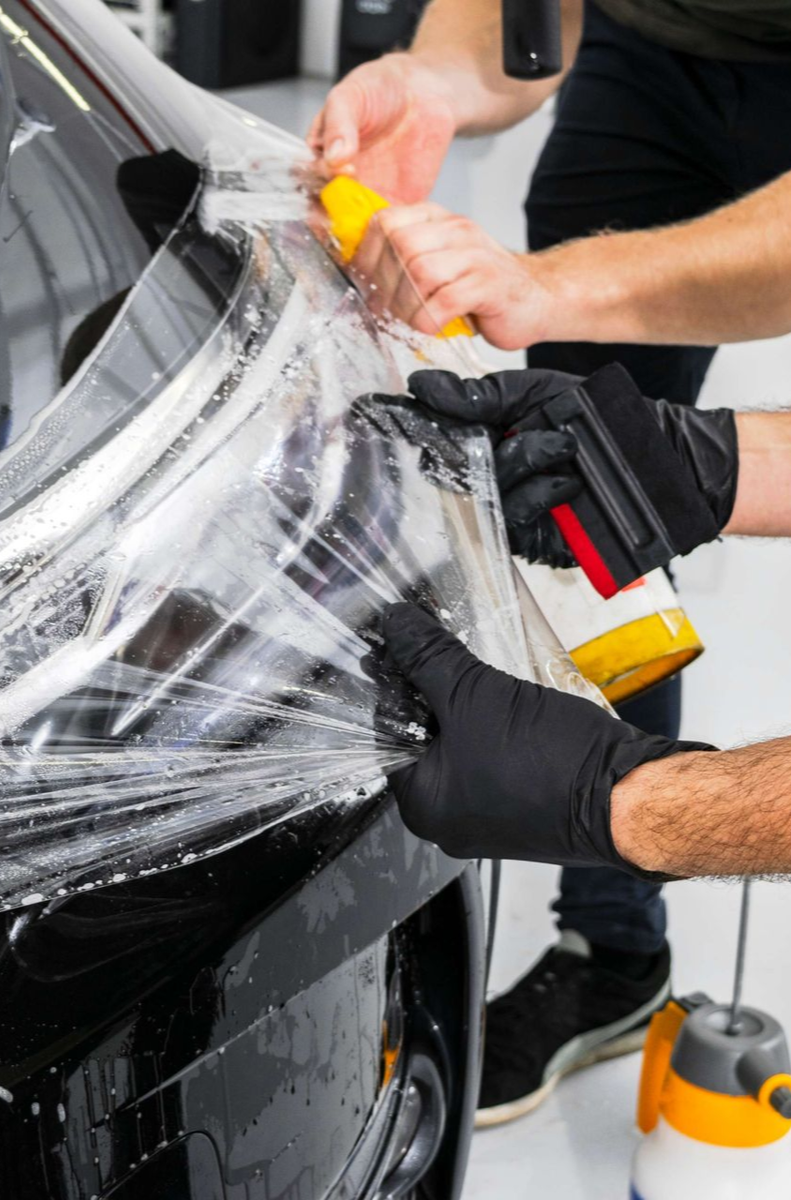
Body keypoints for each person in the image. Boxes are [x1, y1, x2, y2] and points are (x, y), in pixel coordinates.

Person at [309, 0, 791, 1125]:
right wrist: (711, 466)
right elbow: (527, 16)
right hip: (658, 57)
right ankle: (617, 952)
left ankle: (612, 919)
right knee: (581, 504)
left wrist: (637, 802)